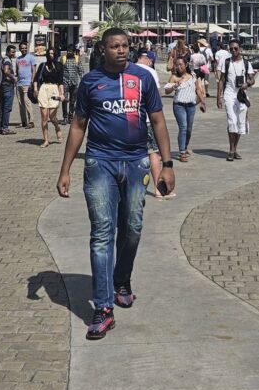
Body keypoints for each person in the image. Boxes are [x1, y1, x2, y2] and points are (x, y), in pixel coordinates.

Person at [56, 28, 174, 340]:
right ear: (104, 50)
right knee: (102, 233)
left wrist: (167, 164)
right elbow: (78, 125)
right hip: (99, 164)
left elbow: (159, 120)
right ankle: (103, 308)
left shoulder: (143, 78)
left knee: (132, 227)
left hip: (136, 164)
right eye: (114, 46)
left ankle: (122, 280)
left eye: (124, 45)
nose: (121, 51)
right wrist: (65, 169)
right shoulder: (91, 82)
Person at [136, 49, 170, 199]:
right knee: (153, 153)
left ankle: (134, 189)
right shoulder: (150, 72)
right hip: (148, 120)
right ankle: (157, 188)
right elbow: (156, 98)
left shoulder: (127, 71)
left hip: (132, 120)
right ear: (149, 60)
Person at [216, 40, 255, 162]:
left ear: (240, 49)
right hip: (229, 93)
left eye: (235, 48)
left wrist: (247, 83)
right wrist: (219, 96)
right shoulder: (226, 62)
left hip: (241, 94)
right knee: (232, 121)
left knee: (240, 122)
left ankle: (234, 149)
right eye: (231, 49)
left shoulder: (246, 63)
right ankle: (231, 149)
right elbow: (222, 80)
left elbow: (252, 79)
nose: (233, 51)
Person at [164, 55, 206, 162]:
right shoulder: (174, 77)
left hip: (191, 106)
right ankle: (182, 152)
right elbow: (167, 91)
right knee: (183, 127)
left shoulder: (193, 75)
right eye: (177, 65)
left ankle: (185, 146)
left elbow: (197, 89)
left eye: (181, 64)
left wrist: (202, 102)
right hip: (179, 106)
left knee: (189, 129)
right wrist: (174, 85)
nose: (179, 67)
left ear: (185, 65)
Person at [33, 46, 65, 147]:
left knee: (52, 116)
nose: (51, 55)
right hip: (43, 89)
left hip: (54, 89)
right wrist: (35, 89)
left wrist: (62, 94)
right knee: (44, 117)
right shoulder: (42, 65)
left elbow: (60, 82)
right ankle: (46, 140)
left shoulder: (59, 66)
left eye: (53, 53)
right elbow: (36, 79)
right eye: (49, 53)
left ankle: (57, 127)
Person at [15, 41, 37, 129]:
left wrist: (33, 81)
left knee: (27, 101)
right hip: (19, 83)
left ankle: (31, 121)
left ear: (27, 48)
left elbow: (34, 70)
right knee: (21, 103)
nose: (24, 49)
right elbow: (17, 70)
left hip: (27, 83)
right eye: (22, 48)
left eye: (25, 48)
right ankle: (23, 121)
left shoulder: (31, 57)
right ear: (19, 49)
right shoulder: (18, 59)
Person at [0, 45, 17, 135]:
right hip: (8, 85)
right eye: (12, 52)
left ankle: (0, 127)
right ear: (7, 52)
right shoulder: (7, 60)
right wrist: (13, 78)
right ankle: (5, 128)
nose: (13, 53)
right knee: (7, 108)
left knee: (2, 107)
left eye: (14, 52)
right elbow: (6, 71)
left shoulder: (3, 59)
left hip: (3, 85)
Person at [61, 45, 83, 123]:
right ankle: (65, 117)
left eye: (70, 51)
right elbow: (60, 70)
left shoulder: (77, 59)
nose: (69, 52)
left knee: (73, 101)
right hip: (65, 82)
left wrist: (82, 81)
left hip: (74, 83)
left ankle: (70, 117)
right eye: (68, 51)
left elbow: (81, 71)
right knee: (64, 100)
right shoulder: (63, 58)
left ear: (74, 52)